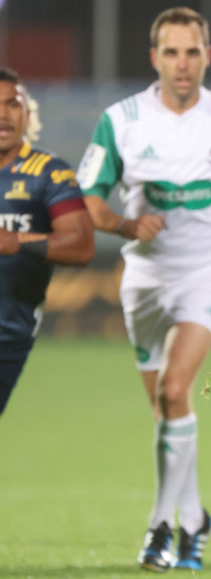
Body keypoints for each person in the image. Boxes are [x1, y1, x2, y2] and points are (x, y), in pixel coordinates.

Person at [77, 7, 211, 572]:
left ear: (207, 55)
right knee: (167, 409)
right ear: (154, 57)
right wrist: (126, 225)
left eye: (192, 52)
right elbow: (89, 199)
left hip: (208, 271)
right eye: (171, 52)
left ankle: (159, 527)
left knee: (176, 390)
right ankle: (195, 517)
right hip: (144, 278)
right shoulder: (122, 120)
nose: (182, 64)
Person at [0, 68, 94, 415]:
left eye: (12, 104)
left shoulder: (48, 172)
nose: (2, 114)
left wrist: (18, 241)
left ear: (27, 113)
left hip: (7, 333)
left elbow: (82, 245)